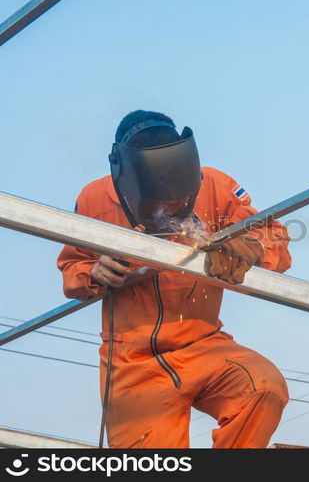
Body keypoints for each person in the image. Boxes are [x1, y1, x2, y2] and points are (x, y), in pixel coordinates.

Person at [57, 110, 292, 448]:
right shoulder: (94, 198)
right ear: (126, 173)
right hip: (132, 364)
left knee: (263, 386)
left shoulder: (215, 184)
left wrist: (251, 246)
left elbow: (275, 238)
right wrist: (93, 272)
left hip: (205, 343)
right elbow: (72, 269)